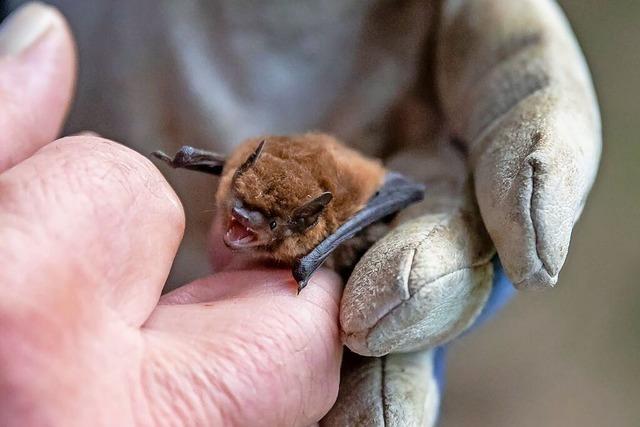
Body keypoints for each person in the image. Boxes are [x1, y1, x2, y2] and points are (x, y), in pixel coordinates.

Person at [0, 1, 601, 426]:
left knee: (386, 303)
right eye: (238, 205)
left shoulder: (320, 224)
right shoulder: (249, 165)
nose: (240, 222)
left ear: (302, 227)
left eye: (256, 221)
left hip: (360, 200)